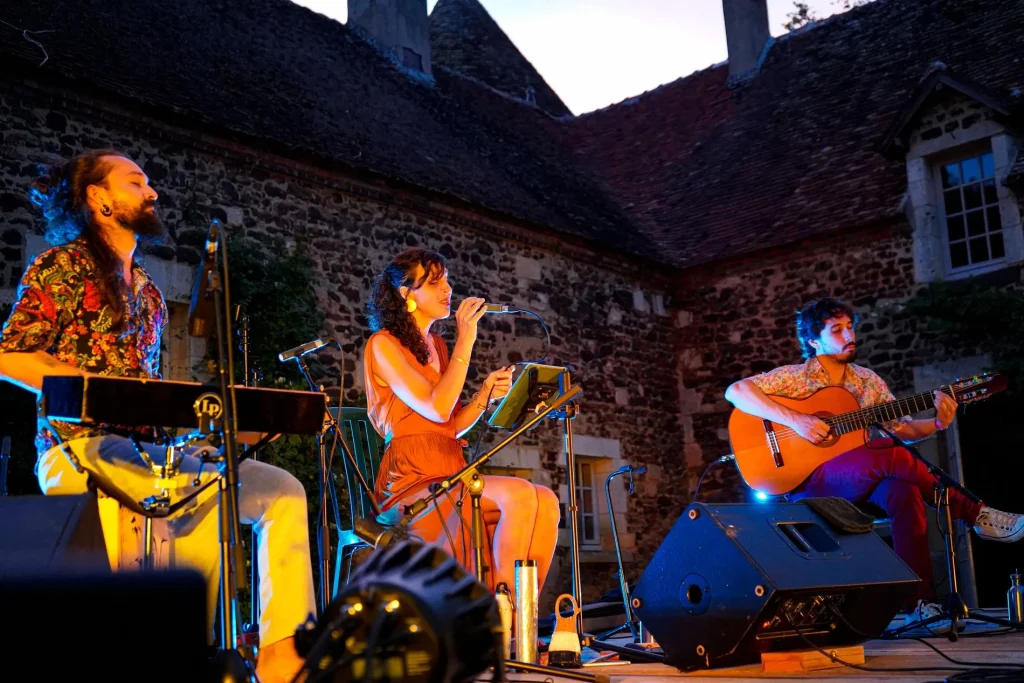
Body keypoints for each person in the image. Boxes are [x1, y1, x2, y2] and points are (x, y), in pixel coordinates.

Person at [0, 149, 314, 683]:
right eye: (136, 181)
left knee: (279, 489)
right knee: (190, 501)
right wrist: (89, 390)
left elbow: (153, 395)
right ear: (99, 198)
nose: (153, 192)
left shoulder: (147, 290)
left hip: (147, 452)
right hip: (79, 447)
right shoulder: (61, 267)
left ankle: (280, 654)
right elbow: (9, 353)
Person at [725, 297, 1023, 632]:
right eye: (836, 329)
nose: (848, 334)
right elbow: (736, 392)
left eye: (850, 326)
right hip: (809, 480)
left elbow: (903, 431)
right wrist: (798, 421)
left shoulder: (866, 381)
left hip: (859, 475)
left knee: (904, 489)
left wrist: (938, 423)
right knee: (884, 449)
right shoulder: (796, 378)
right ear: (813, 340)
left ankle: (918, 605)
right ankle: (975, 514)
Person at [364, 247, 561, 594]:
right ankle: (498, 620)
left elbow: (450, 426)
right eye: (435, 282)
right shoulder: (383, 345)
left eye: (447, 280)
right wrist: (467, 337)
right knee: (517, 495)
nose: (448, 290)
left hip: (449, 470)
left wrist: (483, 396)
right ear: (406, 294)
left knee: (545, 500)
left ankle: (520, 626)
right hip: (411, 482)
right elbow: (437, 408)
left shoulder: (437, 347)